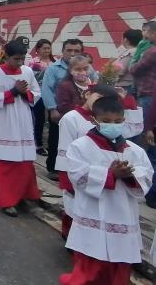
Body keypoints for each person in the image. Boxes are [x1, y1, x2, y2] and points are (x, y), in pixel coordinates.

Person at [60, 96, 153, 285]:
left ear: (124, 121)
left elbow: (147, 176)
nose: (113, 125)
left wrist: (130, 176)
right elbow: (78, 176)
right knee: (90, 264)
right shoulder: (80, 146)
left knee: (119, 266)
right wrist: (110, 175)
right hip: (93, 212)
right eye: (107, 121)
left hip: (123, 215)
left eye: (118, 122)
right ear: (94, 120)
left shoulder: (135, 151)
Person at [55, 84, 135, 239]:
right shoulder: (72, 118)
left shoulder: (109, 121)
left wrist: (127, 101)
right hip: (79, 172)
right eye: (99, 98)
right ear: (87, 94)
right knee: (74, 210)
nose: (102, 103)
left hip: (105, 177)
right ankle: (70, 237)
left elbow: (132, 130)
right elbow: (64, 151)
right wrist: (66, 180)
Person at [0, 38, 42, 217]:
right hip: (4, 122)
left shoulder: (27, 72)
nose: (19, 62)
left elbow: (37, 94)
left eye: (22, 58)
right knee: (7, 164)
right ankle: (7, 201)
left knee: (25, 163)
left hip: (23, 121)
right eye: (16, 59)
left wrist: (26, 93)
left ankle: (25, 196)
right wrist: (13, 92)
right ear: (5, 57)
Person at [42, 38, 99, 181]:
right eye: (69, 50)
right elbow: (47, 90)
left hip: (86, 117)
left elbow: (95, 86)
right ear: (62, 51)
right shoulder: (53, 69)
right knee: (57, 141)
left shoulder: (89, 70)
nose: (72, 53)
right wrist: (52, 109)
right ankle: (54, 168)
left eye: (76, 51)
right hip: (60, 113)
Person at [131, 21, 156, 207]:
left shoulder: (151, 51)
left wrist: (137, 55)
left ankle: (149, 191)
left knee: (146, 144)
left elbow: (134, 69)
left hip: (148, 97)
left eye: (146, 32)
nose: (144, 36)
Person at [29, 39, 55, 156]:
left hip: (53, 95)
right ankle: (38, 145)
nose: (46, 51)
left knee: (52, 121)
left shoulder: (55, 62)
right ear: (38, 49)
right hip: (38, 95)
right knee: (39, 120)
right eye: (44, 48)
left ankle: (50, 144)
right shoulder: (33, 62)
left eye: (48, 48)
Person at [116, 28, 142, 95]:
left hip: (125, 87)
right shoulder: (139, 52)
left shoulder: (130, 54)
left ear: (125, 40)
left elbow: (120, 72)